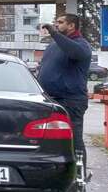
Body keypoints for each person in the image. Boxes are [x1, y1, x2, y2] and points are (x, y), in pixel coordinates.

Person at [37, 14, 93, 170]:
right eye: (56, 22)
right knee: (47, 141)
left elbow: (75, 52)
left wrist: (54, 34)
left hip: (71, 101)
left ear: (71, 26)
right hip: (50, 100)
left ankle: (78, 180)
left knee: (74, 141)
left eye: (60, 23)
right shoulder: (53, 46)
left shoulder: (81, 45)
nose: (56, 25)